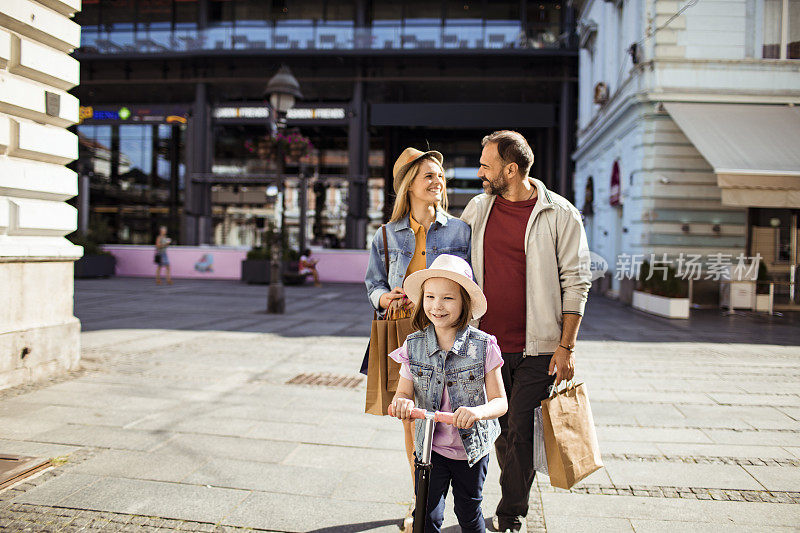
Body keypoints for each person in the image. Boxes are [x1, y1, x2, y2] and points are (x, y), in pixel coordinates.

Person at [461, 130, 591, 532]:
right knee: (501, 432)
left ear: (511, 169)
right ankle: (514, 495)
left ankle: (510, 513)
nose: (481, 171)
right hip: (487, 348)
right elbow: (453, 261)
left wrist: (566, 347)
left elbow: (577, 281)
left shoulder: (560, 213)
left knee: (521, 430)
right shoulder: (478, 210)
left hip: (539, 347)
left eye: (487, 165)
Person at [364, 146, 472, 529]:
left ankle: (449, 500)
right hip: (403, 331)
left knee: (445, 418)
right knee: (412, 420)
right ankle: (421, 502)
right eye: (429, 175)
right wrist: (383, 296)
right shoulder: (386, 234)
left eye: (440, 175)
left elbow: (471, 284)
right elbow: (372, 282)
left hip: (445, 333)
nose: (437, 181)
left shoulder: (461, 230)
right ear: (410, 184)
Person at [389, 254, 508, 532]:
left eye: (448, 298)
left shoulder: (484, 346)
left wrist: (477, 412)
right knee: (426, 516)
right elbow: (402, 393)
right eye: (429, 297)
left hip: (471, 450)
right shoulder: (413, 345)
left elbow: (500, 401)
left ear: (464, 301)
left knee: (468, 511)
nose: (436, 306)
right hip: (431, 449)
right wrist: (402, 405)